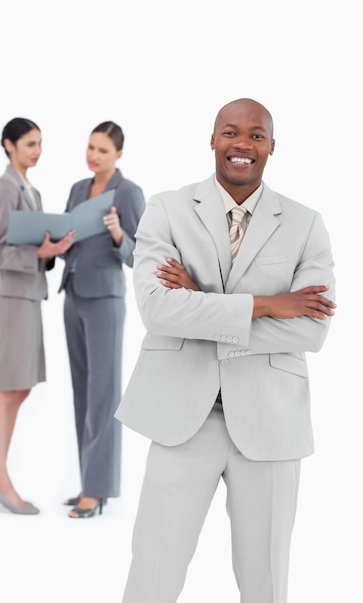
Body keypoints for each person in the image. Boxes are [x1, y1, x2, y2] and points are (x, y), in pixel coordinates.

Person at [115, 98, 336, 602]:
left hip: (271, 424)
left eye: (256, 135)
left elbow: (310, 332)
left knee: (267, 583)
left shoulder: (306, 224)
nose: (242, 144)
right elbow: (157, 310)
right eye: (230, 133)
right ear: (212, 140)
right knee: (152, 574)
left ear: (272, 147)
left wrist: (200, 303)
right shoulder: (167, 209)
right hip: (180, 419)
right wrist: (267, 304)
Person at [0, 117, 75, 515]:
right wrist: (41, 253)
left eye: (40, 143)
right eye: (30, 143)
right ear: (9, 144)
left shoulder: (28, 187)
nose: (37, 150)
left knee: (20, 387)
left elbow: (32, 245)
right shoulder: (5, 188)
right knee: (5, 387)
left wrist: (52, 249)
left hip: (28, 296)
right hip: (10, 296)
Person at [59, 121, 145, 519]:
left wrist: (116, 234)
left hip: (106, 300)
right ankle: (89, 484)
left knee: (104, 396)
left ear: (119, 155)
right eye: (91, 147)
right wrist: (54, 242)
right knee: (81, 392)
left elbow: (140, 255)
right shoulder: (79, 188)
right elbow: (67, 240)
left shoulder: (128, 193)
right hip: (73, 293)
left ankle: (97, 490)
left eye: (103, 150)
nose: (94, 155)